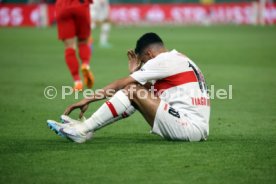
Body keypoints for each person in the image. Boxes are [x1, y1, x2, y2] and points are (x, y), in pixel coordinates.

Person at [47, 33, 210, 143]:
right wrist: (135, 72)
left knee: (132, 89)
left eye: (143, 62)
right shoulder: (179, 58)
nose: (145, 66)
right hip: (194, 126)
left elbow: (124, 85)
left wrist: (87, 98)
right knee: (134, 90)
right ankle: (87, 129)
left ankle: (82, 129)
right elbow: (144, 93)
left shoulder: (162, 60)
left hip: (189, 127)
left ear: (150, 54)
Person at [55, 0, 95, 91]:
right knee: (83, 42)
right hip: (80, 4)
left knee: (70, 46)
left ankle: (77, 82)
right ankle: (85, 64)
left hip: (63, 6)